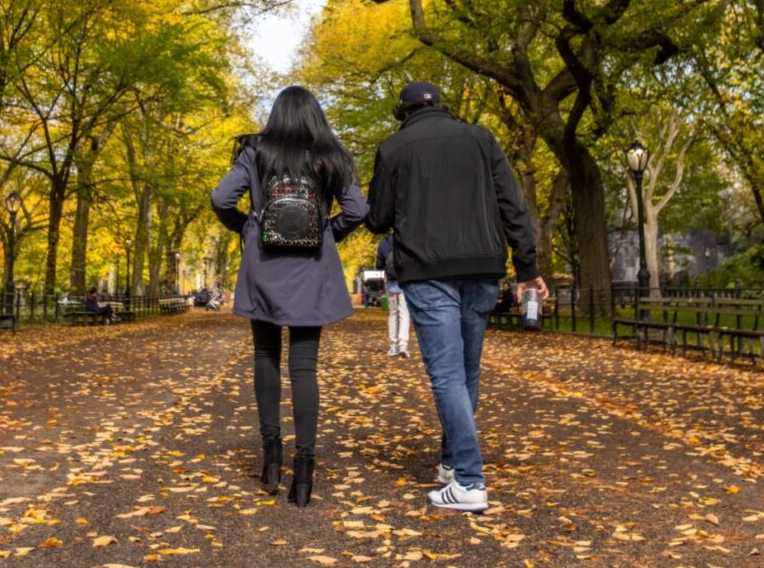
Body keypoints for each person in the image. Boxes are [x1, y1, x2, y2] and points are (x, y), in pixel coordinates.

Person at [366, 82, 548, 513]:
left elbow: (378, 218)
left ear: (403, 113)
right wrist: (527, 268)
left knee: (447, 375)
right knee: (466, 372)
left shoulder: (394, 148)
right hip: (483, 265)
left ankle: (469, 480)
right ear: (442, 108)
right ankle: (450, 464)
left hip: (428, 270)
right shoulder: (481, 139)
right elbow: (513, 205)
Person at [211, 86, 367, 507]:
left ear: (276, 115)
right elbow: (358, 211)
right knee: (304, 368)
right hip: (311, 267)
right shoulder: (330, 154)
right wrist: (327, 233)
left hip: (265, 264)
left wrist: (249, 227)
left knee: (264, 356)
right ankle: (304, 472)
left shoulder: (256, 152)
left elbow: (221, 199)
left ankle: (271, 459)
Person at [376, 234, 411, 357]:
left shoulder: (384, 242)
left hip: (390, 282)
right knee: (404, 313)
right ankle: (403, 344)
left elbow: (379, 265)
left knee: (393, 313)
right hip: (405, 280)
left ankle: (393, 345)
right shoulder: (406, 239)